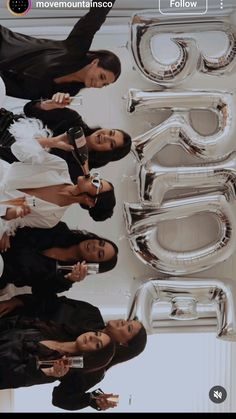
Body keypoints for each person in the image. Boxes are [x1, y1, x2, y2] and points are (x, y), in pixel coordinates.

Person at [0, 293, 147, 411]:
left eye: (128, 329)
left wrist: (91, 399)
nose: (123, 321)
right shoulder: (90, 313)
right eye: (128, 321)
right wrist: (17, 301)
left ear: (124, 344)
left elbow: (62, 399)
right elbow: (50, 301)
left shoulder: (91, 371)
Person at [0, 134, 116, 249]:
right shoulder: (59, 167)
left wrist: (8, 224)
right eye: (97, 177)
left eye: (96, 183)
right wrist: (52, 142)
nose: (92, 177)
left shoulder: (50, 219)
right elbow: (17, 148)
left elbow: (15, 220)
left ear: (90, 201)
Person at [0, 93, 132, 183]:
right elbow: (29, 109)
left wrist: (52, 143)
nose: (105, 137)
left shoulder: (78, 171)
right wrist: (49, 104)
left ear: (108, 154)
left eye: (111, 144)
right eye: (111, 132)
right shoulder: (73, 121)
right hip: (6, 123)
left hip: (6, 159)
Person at [0, 1, 121, 99]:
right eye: (101, 77)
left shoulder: (69, 91)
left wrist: (49, 106)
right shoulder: (75, 49)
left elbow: (32, 105)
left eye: (104, 85)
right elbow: (96, 15)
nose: (99, 84)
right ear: (95, 62)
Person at [0, 313, 116, 393]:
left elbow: (10, 378)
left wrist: (47, 372)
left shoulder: (55, 368)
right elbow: (14, 322)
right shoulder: (56, 329)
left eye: (97, 344)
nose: (92, 338)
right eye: (96, 334)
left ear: (92, 356)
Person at [0, 221, 118, 294]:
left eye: (99, 254)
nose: (95, 246)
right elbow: (24, 222)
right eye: (100, 243)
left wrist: (69, 280)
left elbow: (39, 293)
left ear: (94, 265)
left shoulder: (62, 278)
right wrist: (7, 230)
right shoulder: (60, 229)